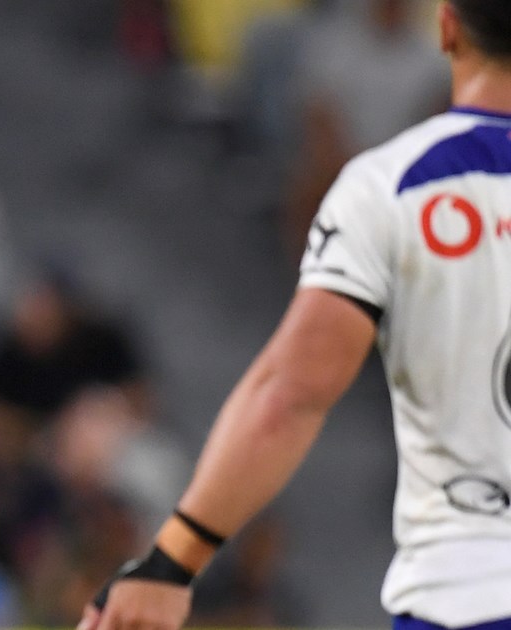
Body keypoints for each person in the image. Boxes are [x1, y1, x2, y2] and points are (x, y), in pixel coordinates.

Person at [84, 2, 511, 629]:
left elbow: (291, 395)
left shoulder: (390, 188)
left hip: (472, 596)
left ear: (446, 26)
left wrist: (171, 563)